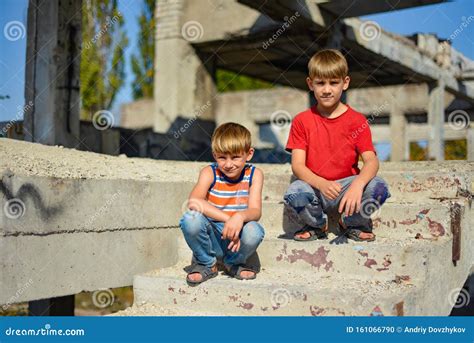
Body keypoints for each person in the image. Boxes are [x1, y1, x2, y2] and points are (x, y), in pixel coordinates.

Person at [284, 49, 391, 244]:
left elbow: (371, 161)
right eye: (320, 83)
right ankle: (317, 224)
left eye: (334, 83)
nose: (327, 89)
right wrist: (321, 184)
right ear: (310, 84)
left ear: (345, 83)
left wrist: (357, 185)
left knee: (379, 186)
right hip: (316, 187)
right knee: (295, 192)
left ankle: (352, 222)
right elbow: (297, 166)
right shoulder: (302, 121)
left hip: (347, 188)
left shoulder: (357, 121)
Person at [180, 122, 265, 286]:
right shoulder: (209, 172)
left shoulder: (255, 174)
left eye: (235, 157)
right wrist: (229, 219)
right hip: (212, 237)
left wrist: (239, 217)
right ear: (214, 155)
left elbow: (255, 211)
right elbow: (194, 201)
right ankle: (207, 263)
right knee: (190, 218)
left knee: (255, 230)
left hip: (236, 240)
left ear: (249, 154)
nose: (228, 164)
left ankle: (233, 263)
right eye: (222, 157)